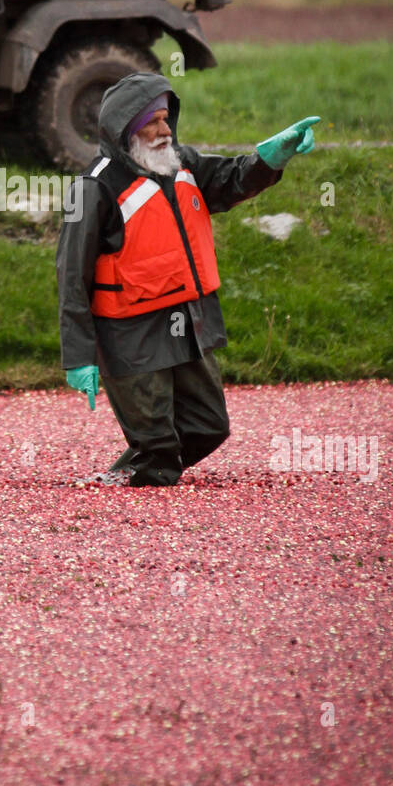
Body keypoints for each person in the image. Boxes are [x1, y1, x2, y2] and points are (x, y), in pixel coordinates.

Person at [56, 71, 319, 488]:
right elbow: (70, 274)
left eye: (165, 118)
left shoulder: (183, 163)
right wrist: (79, 354)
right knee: (159, 450)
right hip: (128, 336)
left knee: (209, 427)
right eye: (152, 121)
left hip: (187, 323)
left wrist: (270, 160)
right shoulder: (90, 188)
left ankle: (134, 467)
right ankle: (139, 489)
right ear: (126, 127)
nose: (164, 130)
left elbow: (232, 179)